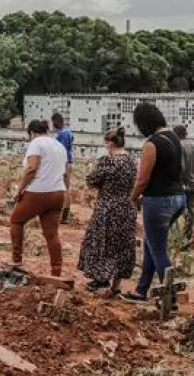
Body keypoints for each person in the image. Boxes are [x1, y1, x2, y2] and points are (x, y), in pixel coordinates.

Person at [121, 103, 185, 304]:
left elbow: (143, 179)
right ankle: (141, 290)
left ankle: (170, 299)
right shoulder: (174, 138)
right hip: (178, 198)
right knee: (151, 242)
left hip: (158, 201)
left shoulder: (152, 144)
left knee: (157, 249)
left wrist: (132, 198)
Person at [77, 126, 137, 294]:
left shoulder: (108, 161)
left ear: (110, 144)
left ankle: (101, 278)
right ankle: (116, 285)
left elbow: (92, 180)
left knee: (102, 243)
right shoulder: (131, 161)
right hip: (126, 207)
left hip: (108, 208)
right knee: (121, 246)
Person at [9, 119, 68, 275]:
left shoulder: (36, 143)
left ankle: (17, 261)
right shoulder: (59, 146)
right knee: (52, 233)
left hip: (38, 192)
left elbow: (31, 168)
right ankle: (56, 270)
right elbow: (65, 172)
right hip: (58, 193)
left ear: (32, 133)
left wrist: (19, 190)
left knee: (16, 220)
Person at [174, 124, 194, 250]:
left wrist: (178, 183)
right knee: (190, 212)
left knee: (174, 211)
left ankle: (177, 239)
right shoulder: (193, 147)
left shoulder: (179, 146)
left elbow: (181, 168)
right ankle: (186, 239)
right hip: (192, 184)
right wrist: (193, 179)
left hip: (182, 185)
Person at [52, 112, 75, 223]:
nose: (53, 125)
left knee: (64, 189)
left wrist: (63, 167)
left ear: (57, 121)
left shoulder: (64, 133)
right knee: (64, 189)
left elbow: (63, 150)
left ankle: (64, 217)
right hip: (65, 163)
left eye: (54, 123)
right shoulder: (65, 132)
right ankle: (64, 215)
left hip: (65, 163)